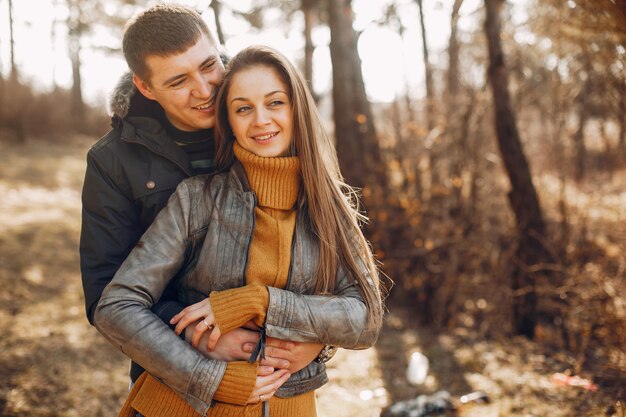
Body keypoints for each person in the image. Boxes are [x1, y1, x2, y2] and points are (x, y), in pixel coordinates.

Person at [94, 45, 384, 417]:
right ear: (228, 121)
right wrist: (207, 377)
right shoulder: (197, 200)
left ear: (297, 109)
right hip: (179, 407)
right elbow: (116, 306)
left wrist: (261, 302)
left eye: (275, 103)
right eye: (243, 108)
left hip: (288, 407)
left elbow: (365, 318)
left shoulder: (331, 208)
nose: (260, 120)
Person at [79, 3, 323, 394]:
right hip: (170, 374)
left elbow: (326, 264)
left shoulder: (265, 128)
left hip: (278, 379)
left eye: (209, 66)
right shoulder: (113, 160)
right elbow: (105, 292)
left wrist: (315, 337)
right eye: (178, 82)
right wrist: (196, 331)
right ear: (145, 87)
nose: (205, 90)